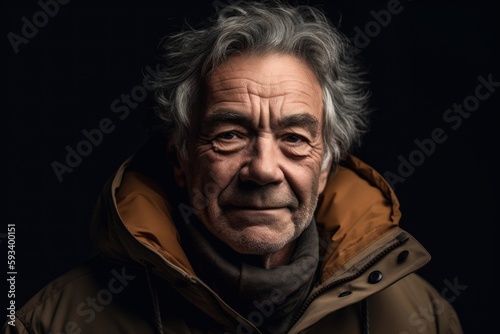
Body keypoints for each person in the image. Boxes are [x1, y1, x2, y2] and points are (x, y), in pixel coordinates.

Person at [3, 1, 463, 333]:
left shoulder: (422, 320)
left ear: (324, 168)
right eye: (230, 135)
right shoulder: (54, 322)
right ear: (180, 159)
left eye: (295, 139)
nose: (263, 169)